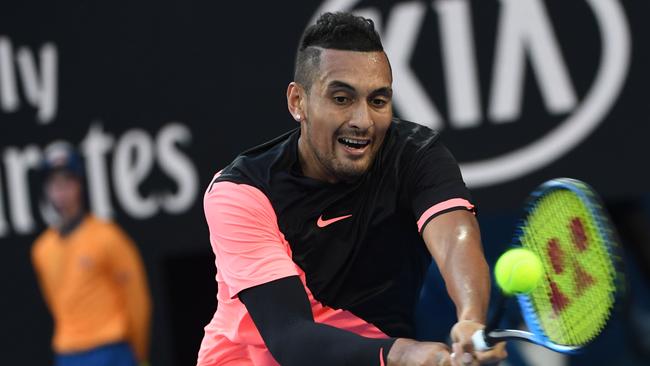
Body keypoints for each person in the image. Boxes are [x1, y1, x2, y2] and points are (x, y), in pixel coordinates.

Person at [197, 12, 507, 366]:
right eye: (342, 98)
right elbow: (290, 337)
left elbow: (455, 239)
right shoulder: (242, 191)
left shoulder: (416, 155)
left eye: (378, 100)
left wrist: (470, 318)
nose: (362, 121)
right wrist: (403, 353)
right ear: (298, 102)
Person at [31, 142, 152, 366]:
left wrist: (138, 352)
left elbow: (137, 299)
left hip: (112, 349)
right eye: (54, 183)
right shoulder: (41, 250)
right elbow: (55, 303)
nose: (60, 190)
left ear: (79, 185)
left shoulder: (108, 237)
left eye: (67, 181)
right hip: (68, 353)